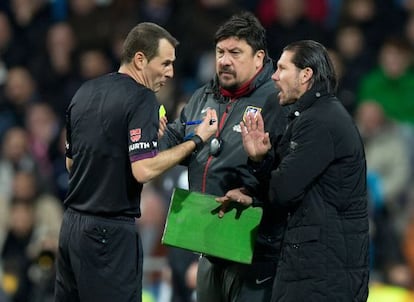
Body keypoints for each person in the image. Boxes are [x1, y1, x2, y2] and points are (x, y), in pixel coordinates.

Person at [54, 22, 218, 302]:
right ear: (140, 59)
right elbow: (143, 169)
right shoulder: (142, 98)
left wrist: (138, 144)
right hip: (109, 235)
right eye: (165, 63)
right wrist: (196, 140)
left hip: (71, 230)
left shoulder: (84, 93)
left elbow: (73, 165)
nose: (170, 72)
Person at [220, 40, 370, 301]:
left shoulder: (319, 122)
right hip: (319, 265)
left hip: (321, 272)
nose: (274, 77)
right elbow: (300, 190)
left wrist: (261, 159)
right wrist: (256, 191)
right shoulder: (316, 116)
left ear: (305, 75)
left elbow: (283, 192)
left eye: (281, 69)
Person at [159, 11, 287, 302]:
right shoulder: (204, 96)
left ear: (259, 58)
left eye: (235, 53)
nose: (224, 60)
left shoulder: (276, 101)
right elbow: (178, 137)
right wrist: (160, 136)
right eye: (220, 52)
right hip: (208, 242)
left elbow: (286, 172)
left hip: (255, 249)